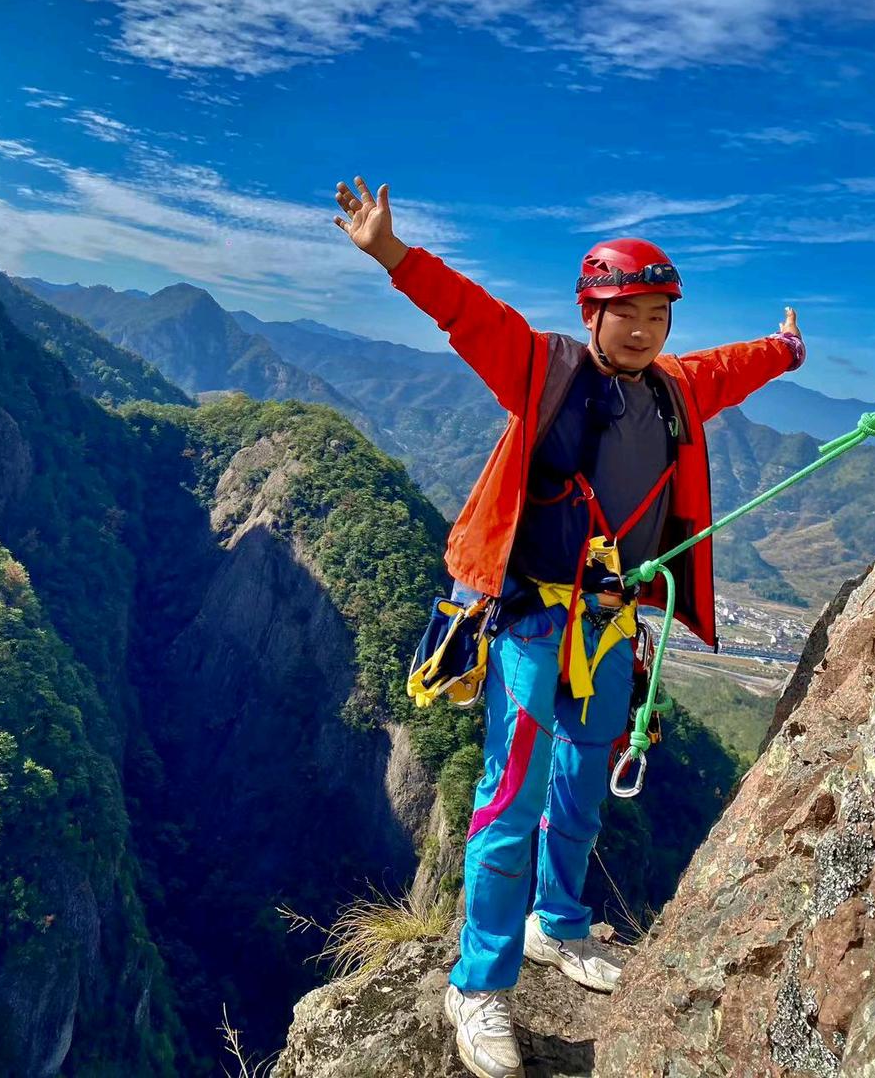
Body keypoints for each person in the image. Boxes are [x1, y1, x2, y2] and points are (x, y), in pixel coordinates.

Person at [332, 175, 805, 1078]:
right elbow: (466, 314)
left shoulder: (674, 391)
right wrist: (391, 253)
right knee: (511, 798)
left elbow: (733, 368)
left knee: (583, 786)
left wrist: (785, 349)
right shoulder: (543, 368)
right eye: (628, 313)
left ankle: (558, 924)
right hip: (530, 622)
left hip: (610, 624)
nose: (645, 331)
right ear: (592, 311)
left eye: (659, 317)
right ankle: (478, 985)